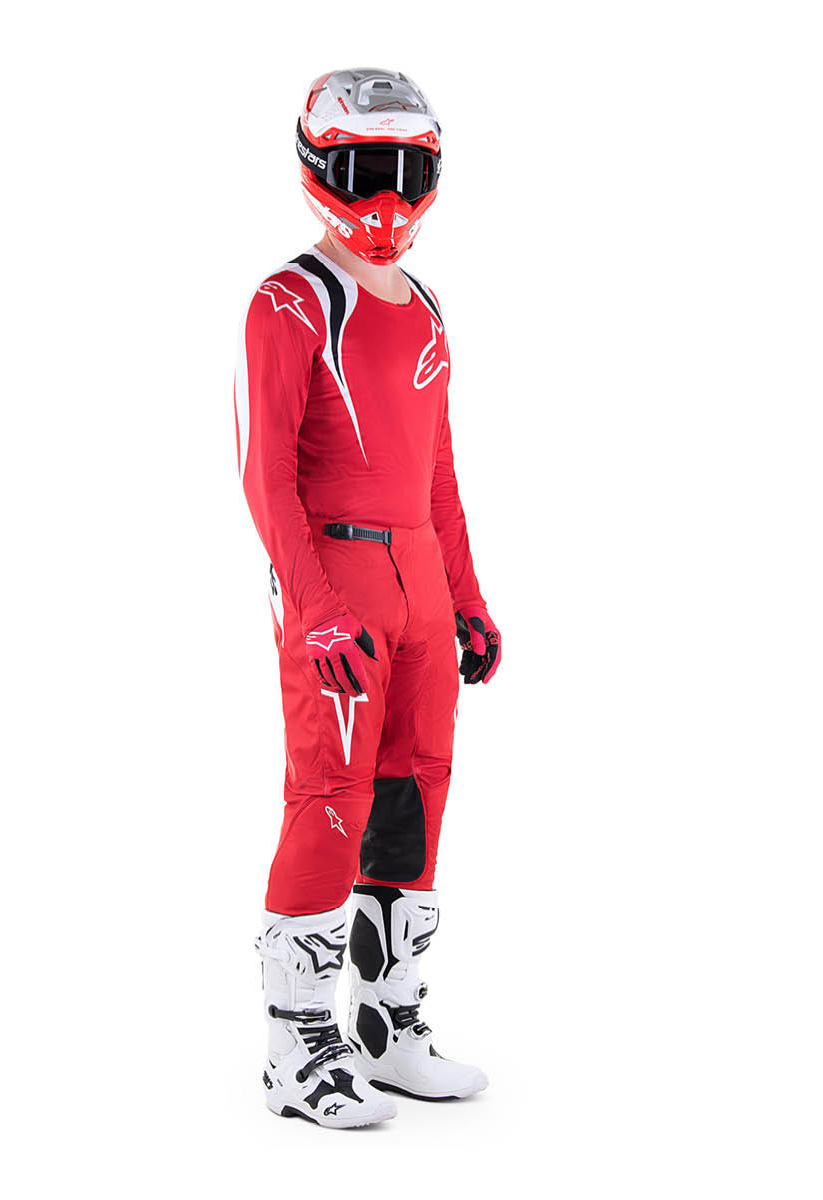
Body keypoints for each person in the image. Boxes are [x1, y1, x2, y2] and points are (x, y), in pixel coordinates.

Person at [235, 68, 502, 1129]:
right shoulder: (289, 302)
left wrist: (467, 597)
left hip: (420, 580)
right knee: (330, 800)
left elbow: (439, 473)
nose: (386, 199)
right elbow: (265, 474)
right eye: (362, 171)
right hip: (338, 578)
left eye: (405, 171)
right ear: (317, 168)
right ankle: (297, 1048)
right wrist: (312, 606)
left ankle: (389, 1026)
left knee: (415, 797)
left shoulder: (425, 306)